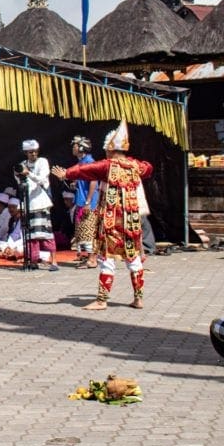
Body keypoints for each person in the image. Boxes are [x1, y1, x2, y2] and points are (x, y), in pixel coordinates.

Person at [53, 120, 154, 310]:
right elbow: (148, 168)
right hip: (131, 222)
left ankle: (102, 300)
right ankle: (138, 299)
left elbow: (86, 170)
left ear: (110, 149)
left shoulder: (108, 166)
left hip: (111, 222)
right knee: (133, 259)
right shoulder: (134, 166)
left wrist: (67, 173)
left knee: (107, 259)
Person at [17, 139, 58, 271]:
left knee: (46, 233)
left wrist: (28, 173)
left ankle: (54, 261)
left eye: (35, 152)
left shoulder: (43, 161)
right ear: (26, 153)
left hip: (41, 201)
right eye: (30, 152)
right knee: (31, 235)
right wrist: (21, 174)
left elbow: (41, 178)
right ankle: (33, 260)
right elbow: (20, 182)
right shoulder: (22, 164)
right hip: (28, 202)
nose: (33, 154)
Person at [65, 135, 100, 268]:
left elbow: (93, 182)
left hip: (88, 202)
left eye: (74, 145)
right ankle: (88, 257)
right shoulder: (81, 162)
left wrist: (88, 201)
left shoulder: (89, 162)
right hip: (82, 200)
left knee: (89, 230)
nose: (73, 148)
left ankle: (92, 259)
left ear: (80, 148)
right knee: (83, 230)